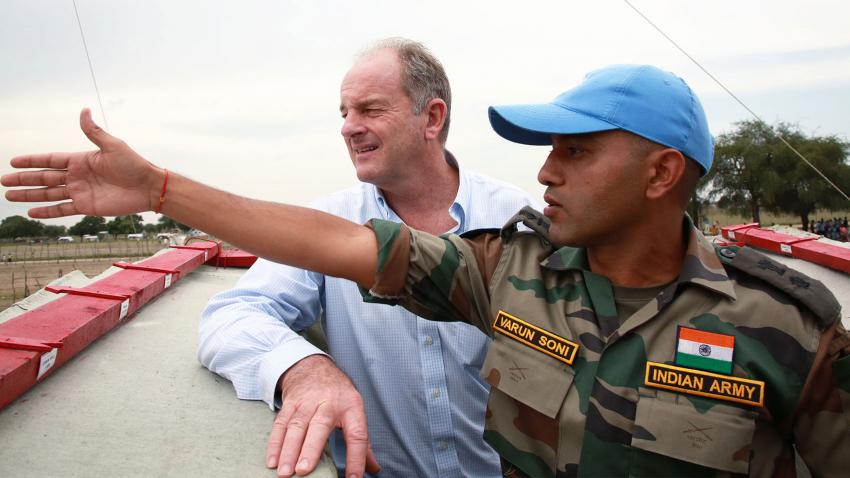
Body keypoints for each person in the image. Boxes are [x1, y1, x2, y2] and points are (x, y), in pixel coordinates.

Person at [4, 64, 849, 478]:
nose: (548, 172)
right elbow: (331, 241)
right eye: (547, 152)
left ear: (663, 174)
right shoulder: (509, 271)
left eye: (576, 153)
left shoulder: (789, 327)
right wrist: (159, 189)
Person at [197, 38, 535, 477]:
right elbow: (230, 316)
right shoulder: (330, 224)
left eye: (370, 110)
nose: (348, 128)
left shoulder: (518, 219)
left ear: (432, 118)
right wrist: (304, 369)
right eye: (344, 113)